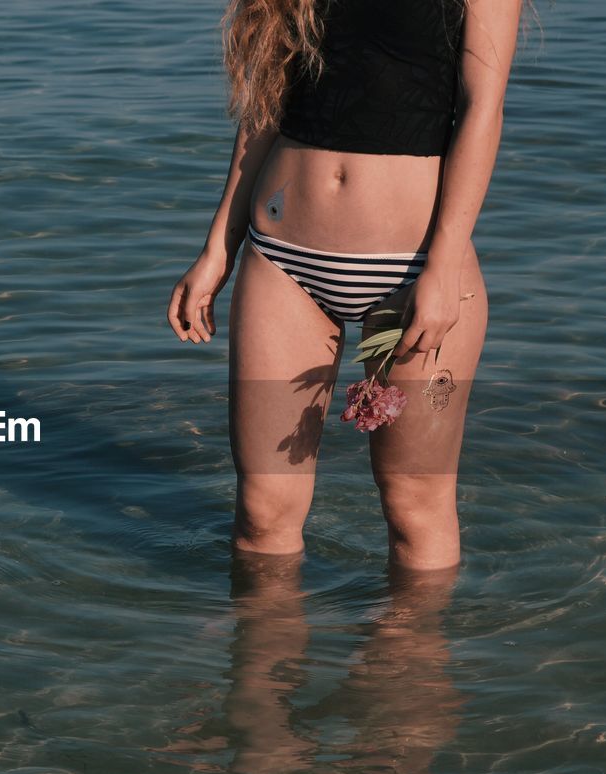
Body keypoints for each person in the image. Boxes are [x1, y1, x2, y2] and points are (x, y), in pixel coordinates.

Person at [168, 0, 523, 570]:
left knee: (415, 506)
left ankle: (406, 657)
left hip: (413, 270)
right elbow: (265, 104)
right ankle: (266, 652)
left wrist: (445, 264)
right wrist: (218, 248)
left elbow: (484, 107)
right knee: (263, 511)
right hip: (284, 264)